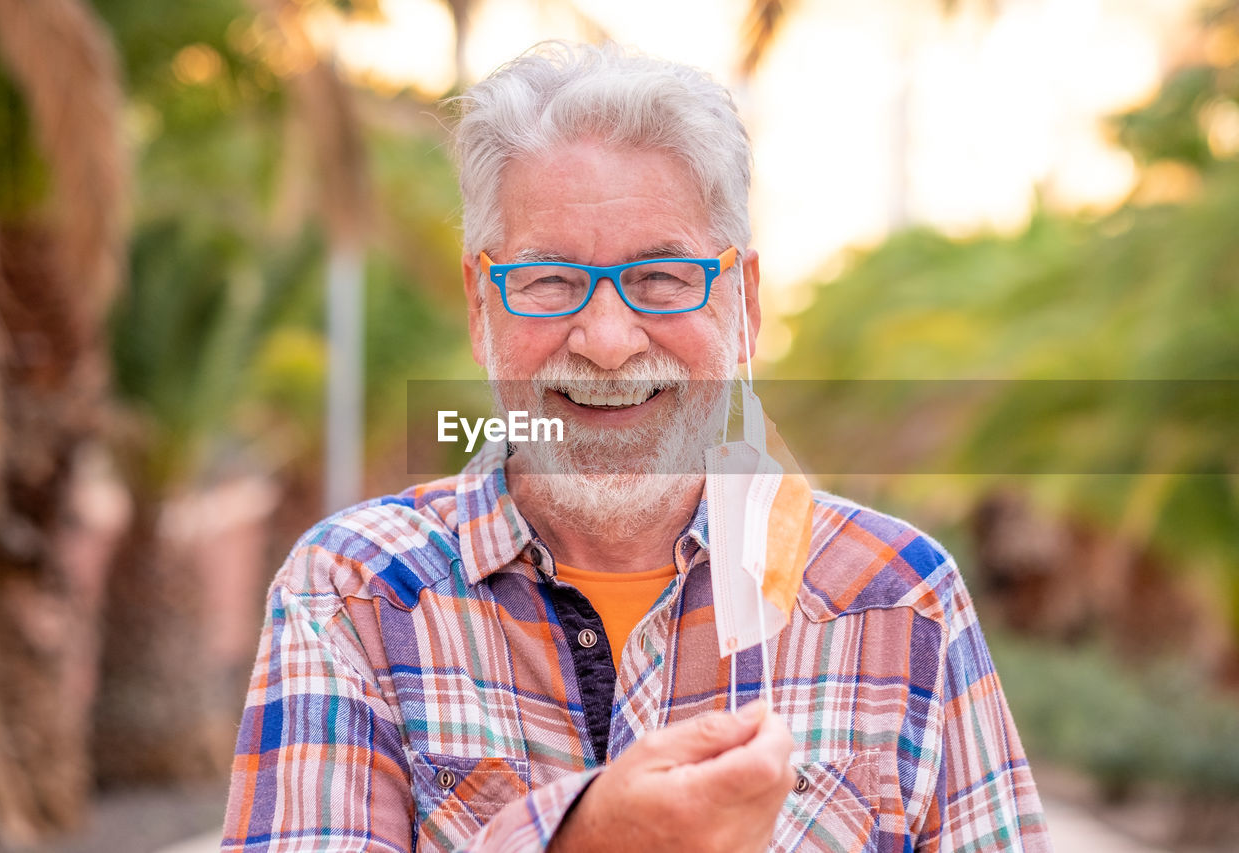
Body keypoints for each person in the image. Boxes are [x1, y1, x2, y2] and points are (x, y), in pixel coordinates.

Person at [221, 42, 1051, 853]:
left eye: (661, 278)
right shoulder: (353, 595)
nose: (609, 340)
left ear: (743, 304)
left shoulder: (900, 601)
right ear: (482, 307)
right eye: (549, 281)